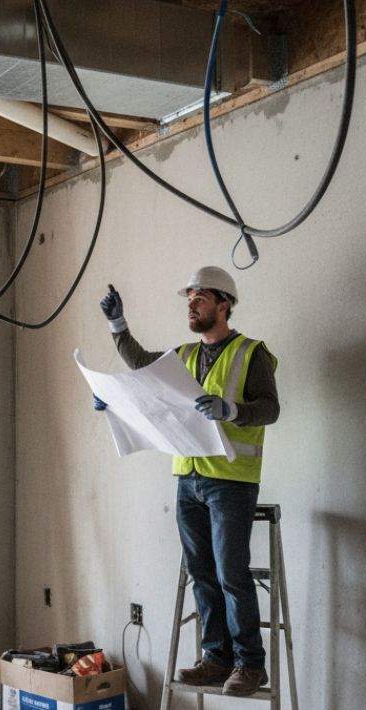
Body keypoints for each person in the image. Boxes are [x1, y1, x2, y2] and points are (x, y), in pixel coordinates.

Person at [94, 266, 280, 697]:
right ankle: (216, 658)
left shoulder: (251, 352)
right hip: (189, 480)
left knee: (232, 573)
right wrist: (117, 327)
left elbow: (270, 408)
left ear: (224, 304)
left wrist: (232, 410)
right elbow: (141, 368)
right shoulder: (186, 357)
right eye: (189, 298)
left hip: (230, 481)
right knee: (202, 572)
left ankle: (250, 665)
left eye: (200, 297)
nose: (192, 304)